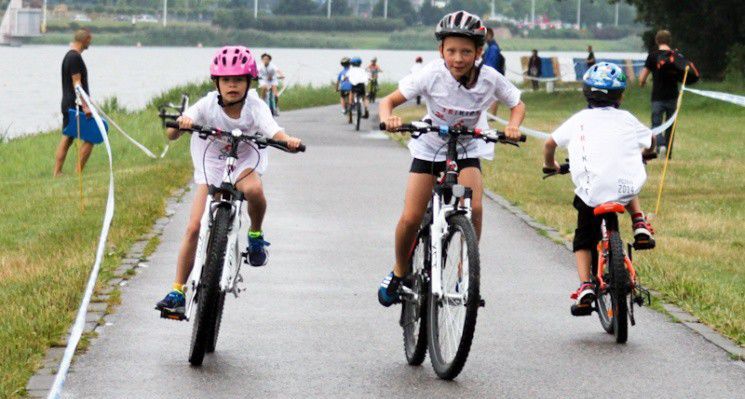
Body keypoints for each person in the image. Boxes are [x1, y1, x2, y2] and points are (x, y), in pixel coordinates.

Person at [376, 10, 526, 307]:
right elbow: (388, 101)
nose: (458, 58)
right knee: (411, 217)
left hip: (468, 145)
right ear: (441, 50)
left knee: (476, 207)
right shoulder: (431, 74)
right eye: (452, 51)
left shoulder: (489, 78)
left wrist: (513, 126)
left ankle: (464, 273)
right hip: (430, 145)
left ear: (479, 52)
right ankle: (398, 271)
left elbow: (517, 103)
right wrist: (388, 118)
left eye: (466, 52)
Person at [155, 46, 303, 316]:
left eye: (238, 80)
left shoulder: (255, 106)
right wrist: (181, 124)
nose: (232, 85)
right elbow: (176, 128)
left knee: (255, 191)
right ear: (216, 83)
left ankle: (256, 235)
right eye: (226, 80)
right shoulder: (208, 103)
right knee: (193, 227)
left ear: (249, 82)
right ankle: (177, 290)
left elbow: (274, 131)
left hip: (244, 160)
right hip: (212, 165)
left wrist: (288, 141)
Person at [542, 62, 656, 309]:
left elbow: (550, 144)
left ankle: (585, 285)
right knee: (627, 183)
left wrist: (550, 165)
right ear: (621, 95)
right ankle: (639, 222)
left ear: (586, 92)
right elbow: (651, 139)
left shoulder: (579, 119)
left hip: (592, 193)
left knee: (583, 238)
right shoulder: (627, 118)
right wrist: (648, 153)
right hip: (624, 188)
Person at [54, 28, 94, 177]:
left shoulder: (68, 56)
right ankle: (77, 173)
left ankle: (57, 172)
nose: (91, 43)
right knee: (92, 136)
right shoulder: (75, 58)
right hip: (75, 105)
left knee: (68, 137)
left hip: (68, 103)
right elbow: (77, 83)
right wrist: (85, 105)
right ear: (84, 40)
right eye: (90, 40)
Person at [639, 30, 678, 157]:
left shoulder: (653, 56)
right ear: (669, 41)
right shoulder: (675, 56)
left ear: (657, 41)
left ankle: (660, 145)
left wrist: (642, 83)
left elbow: (643, 77)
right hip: (673, 95)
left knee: (656, 124)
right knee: (670, 124)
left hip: (657, 96)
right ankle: (668, 153)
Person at [483, 27, 505, 115]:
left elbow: (491, 65)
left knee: (493, 96)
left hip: (493, 75)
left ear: (490, 35)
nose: (484, 38)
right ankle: (491, 115)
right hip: (494, 74)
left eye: (486, 35)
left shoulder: (493, 48)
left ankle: (493, 115)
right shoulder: (491, 47)